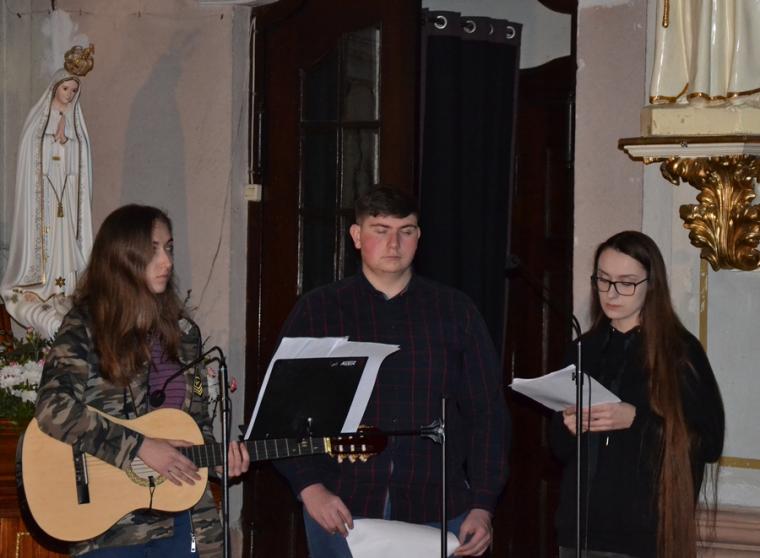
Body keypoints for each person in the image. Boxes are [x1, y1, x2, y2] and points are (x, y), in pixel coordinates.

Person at [274, 186, 510, 557]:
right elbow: (281, 412)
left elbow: (488, 414)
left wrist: (483, 503)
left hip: (438, 506)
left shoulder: (456, 312)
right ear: (356, 236)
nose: (394, 244)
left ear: (419, 236)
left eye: (406, 231)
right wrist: (310, 488)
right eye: (381, 230)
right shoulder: (318, 311)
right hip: (340, 505)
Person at [33, 204, 249, 557]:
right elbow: (53, 408)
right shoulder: (86, 326)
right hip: (111, 525)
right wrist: (139, 446)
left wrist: (216, 459)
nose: (166, 261)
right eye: (153, 249)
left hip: (184, 516)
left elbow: (196, 425)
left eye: (169, 248)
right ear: (122, 257)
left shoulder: (186, 335)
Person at [551, 231, 725, 557]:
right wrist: (569, 427)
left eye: (626, 283)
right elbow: (558, 450)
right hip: (579, 529)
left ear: (651, 285)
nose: (611, 292)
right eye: (603, 280)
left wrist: (636, 419)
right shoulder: (583, 349)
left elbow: (709, 442)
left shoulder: (680, 352)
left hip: (644, 533)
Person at [1, 56, 93, 339]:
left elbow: (81, 161)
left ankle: (64, 290)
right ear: (55, 88)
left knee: (65, 239)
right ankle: (44, 287)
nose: (69, 94)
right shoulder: (39, 119)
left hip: (65, 194)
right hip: (45, 197)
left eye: (73, 90)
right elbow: (32, 153)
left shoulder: (75, 121)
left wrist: (68, 143)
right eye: (66, 89)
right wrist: (55, 141)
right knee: (48, 239)